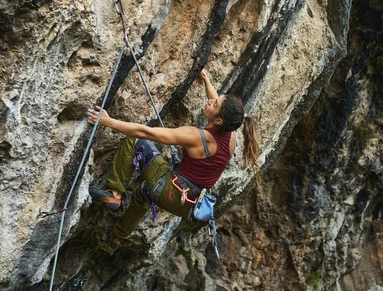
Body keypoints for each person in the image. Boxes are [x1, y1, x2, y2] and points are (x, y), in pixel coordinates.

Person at [86, 68, 260, 254]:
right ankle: (116, 238)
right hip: (187, 204)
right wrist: (206, 79)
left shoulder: (196, 137)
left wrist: (108, 121)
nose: (211, 100)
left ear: (218, 121)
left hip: (171, 189)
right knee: (144, 192)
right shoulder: (231, 135)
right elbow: (217, 102)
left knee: (134, 141)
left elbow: (147, 133)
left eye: (214, 104)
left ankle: (115, 193)